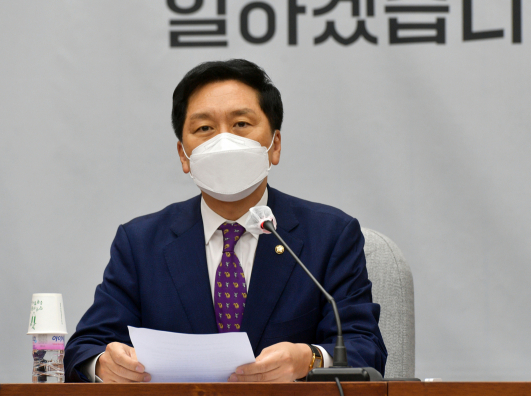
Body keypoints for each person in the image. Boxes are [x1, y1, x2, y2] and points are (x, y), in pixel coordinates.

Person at [64, 59, 387, 383]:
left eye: (241, 124)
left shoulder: (329, 236)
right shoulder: (140, 244)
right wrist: (104, 365)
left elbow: (365, 347)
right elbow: (85, 349)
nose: (224, 141)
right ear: (183, 155)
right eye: (204, 128)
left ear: (274, 145)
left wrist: (310, 359)